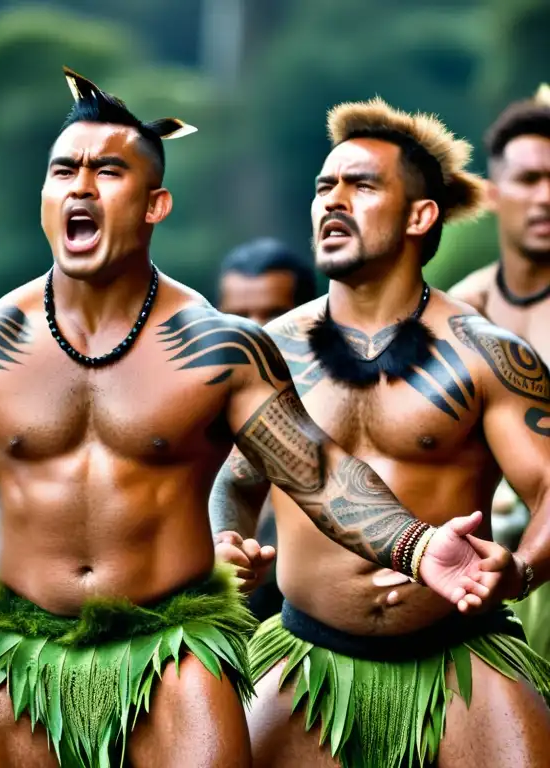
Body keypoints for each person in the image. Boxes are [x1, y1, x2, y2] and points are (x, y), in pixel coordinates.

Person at [0, 70, 501, 768]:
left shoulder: (221, 348)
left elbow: (317, 474)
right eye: (62, 169)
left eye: (107, 172)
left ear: (154, 203)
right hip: (14, 649)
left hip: (170, 659)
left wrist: (420, 545)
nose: (79, 185)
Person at [211, 96, 550, 768]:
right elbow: (235, 482)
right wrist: (225, 539)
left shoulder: (488, 356)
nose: (332, 201)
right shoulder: (269, 352)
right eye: (323, 187)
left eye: (361, 185)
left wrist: (521, 570)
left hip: (461, 659)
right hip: (306, 656)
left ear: (421, 215)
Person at [449, 83, 550, 660]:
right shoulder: (463, 311)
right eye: (529, 179)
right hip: (487, 573)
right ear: (492, 193)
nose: (544, 197)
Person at [214, 237, 318, 621]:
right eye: (240, 316)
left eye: (273, 314)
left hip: (305, 611)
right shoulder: (189, 409)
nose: (256, 333)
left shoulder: (331, 405)